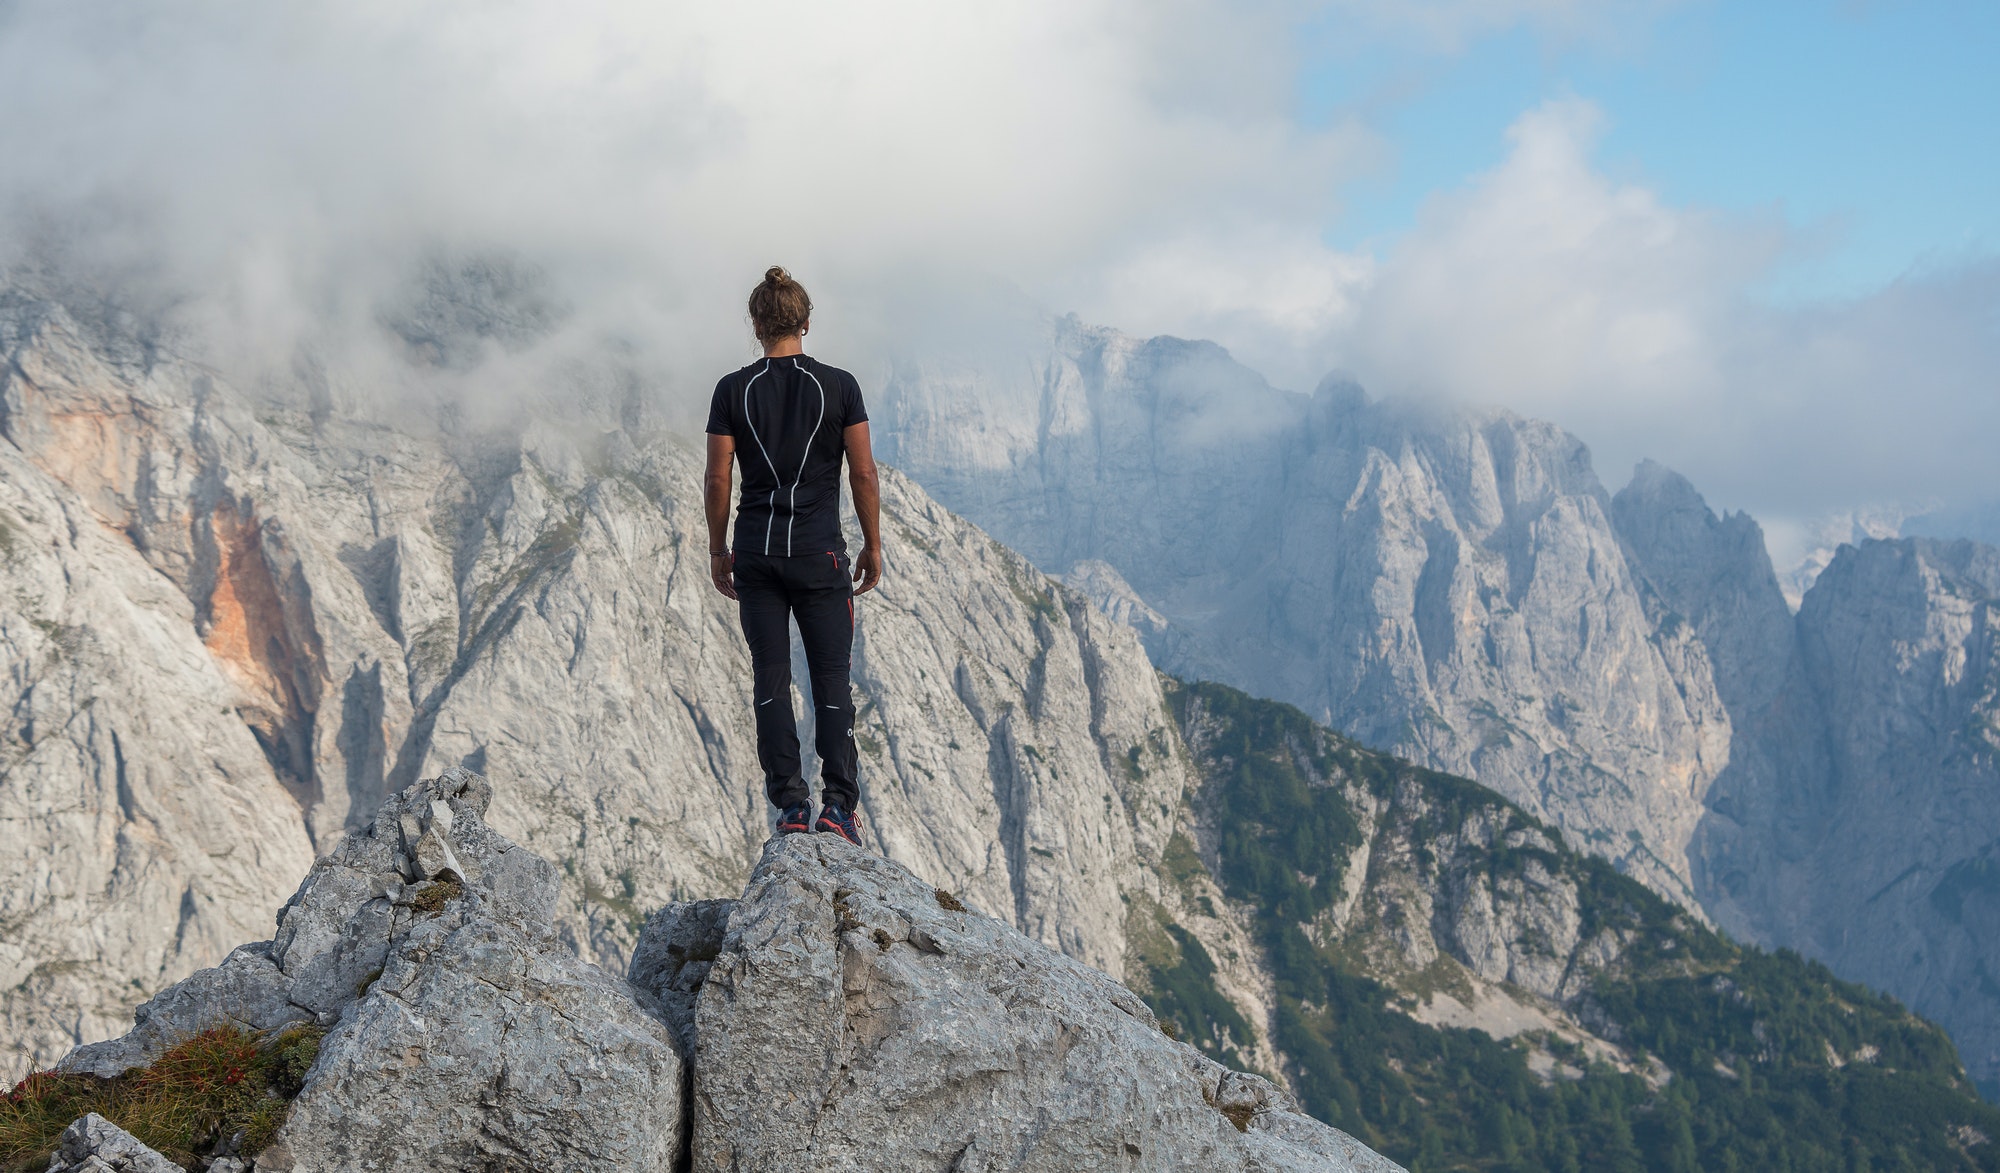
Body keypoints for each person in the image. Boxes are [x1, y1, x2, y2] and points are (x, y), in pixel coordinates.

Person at [703, 266, 882, 846]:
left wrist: (718, 549)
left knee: (771, 678)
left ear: (755, 325)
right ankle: (838, 807)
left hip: (756, 556)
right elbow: (862, 471)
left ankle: (789, 806)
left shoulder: (733, 390)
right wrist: (873, 544)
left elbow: (717, 476)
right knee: (832, 677)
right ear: (807, 323)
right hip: (819, 556)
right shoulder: (840, 386)